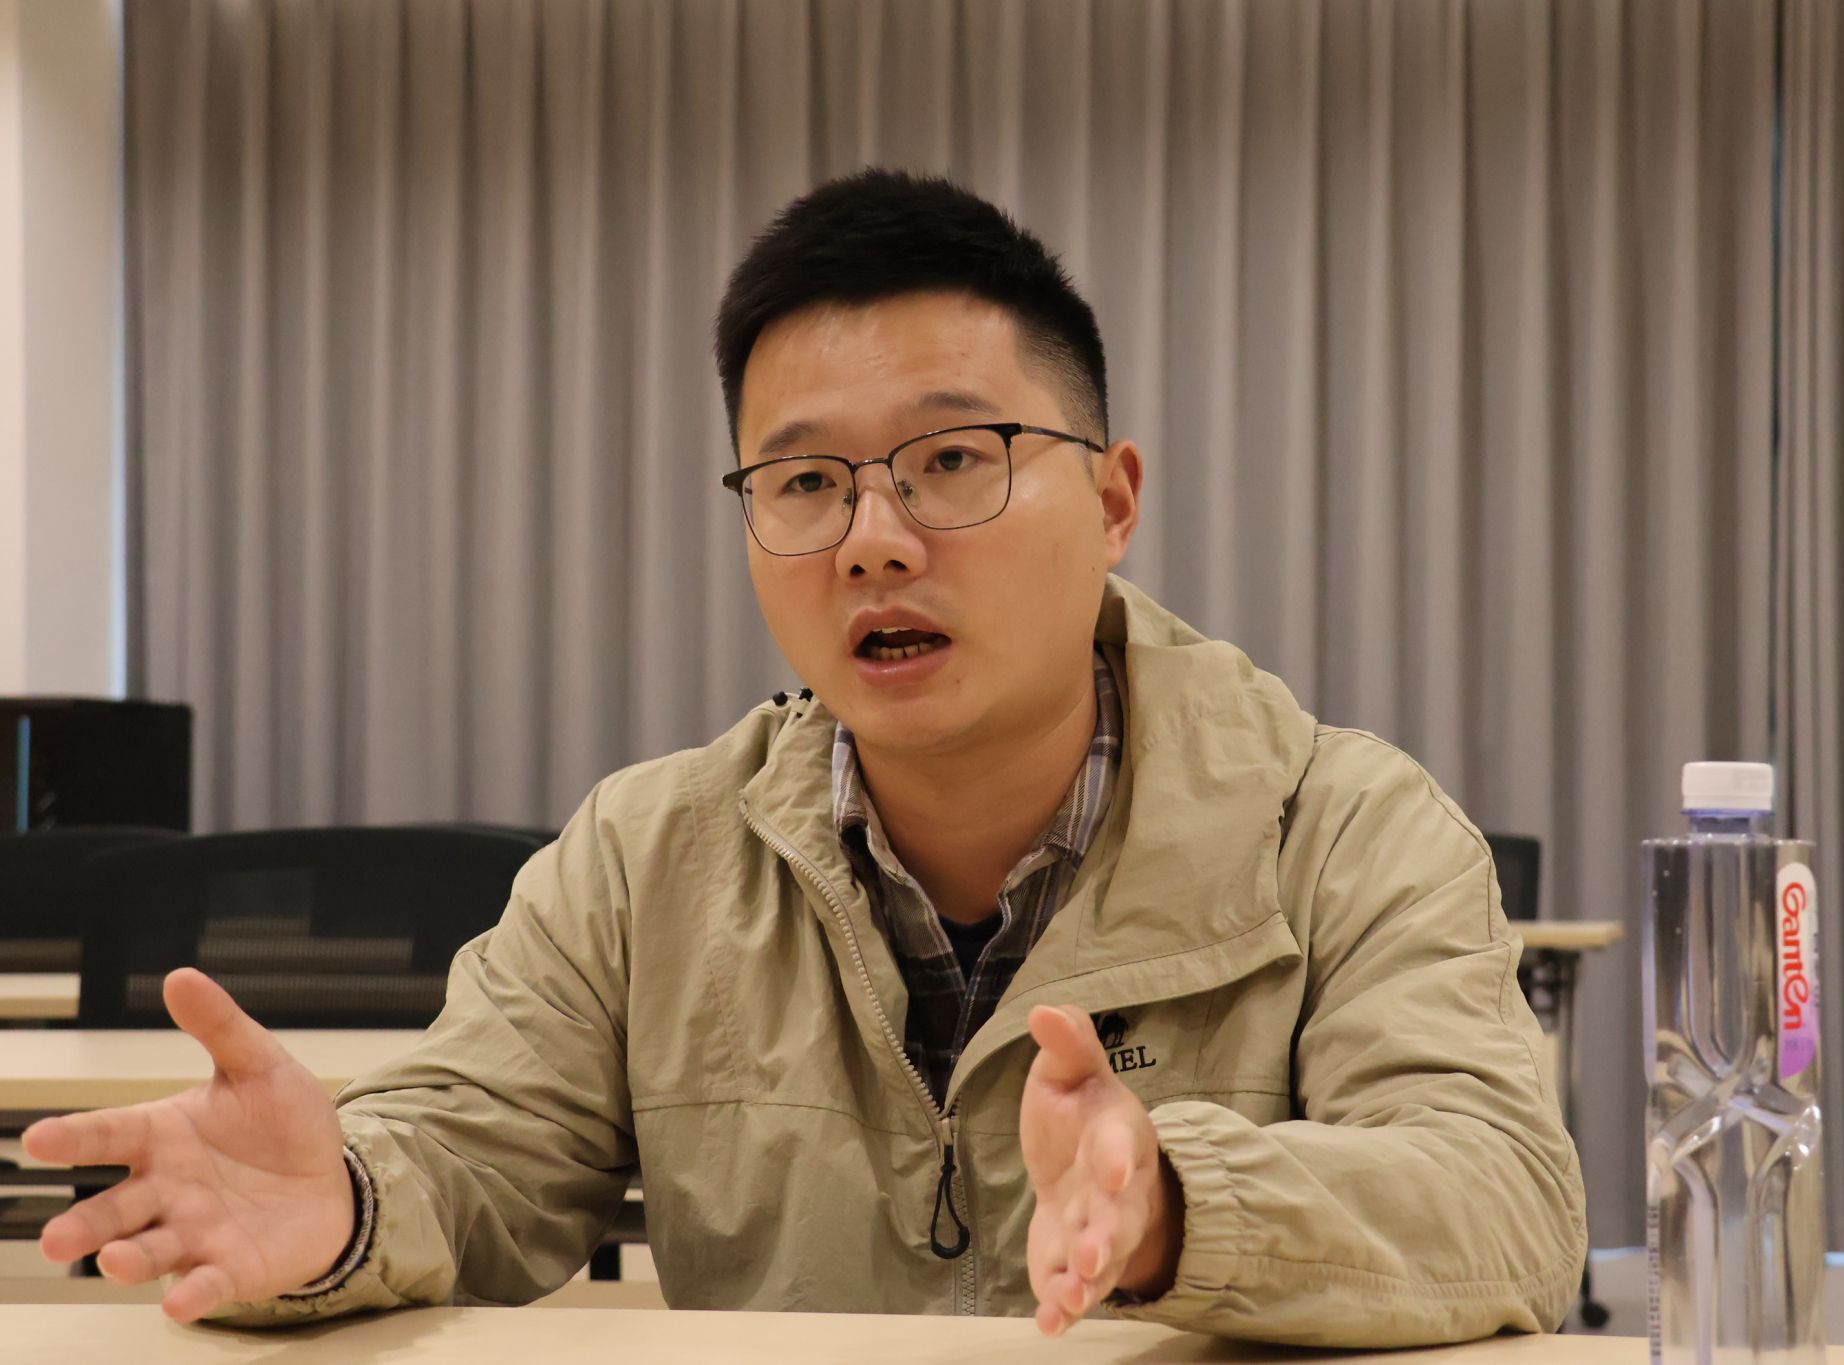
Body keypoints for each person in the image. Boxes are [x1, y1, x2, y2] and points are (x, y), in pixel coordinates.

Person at [26, 169, 1585, 1348]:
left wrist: (1178, 1204)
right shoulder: (647, 856)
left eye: (954, 459)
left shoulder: (1345, 826)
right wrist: (348, 1201)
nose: (873, 538)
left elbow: (1503, 1196)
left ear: (1114, 501)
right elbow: (472, 1145)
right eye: (805, 481)